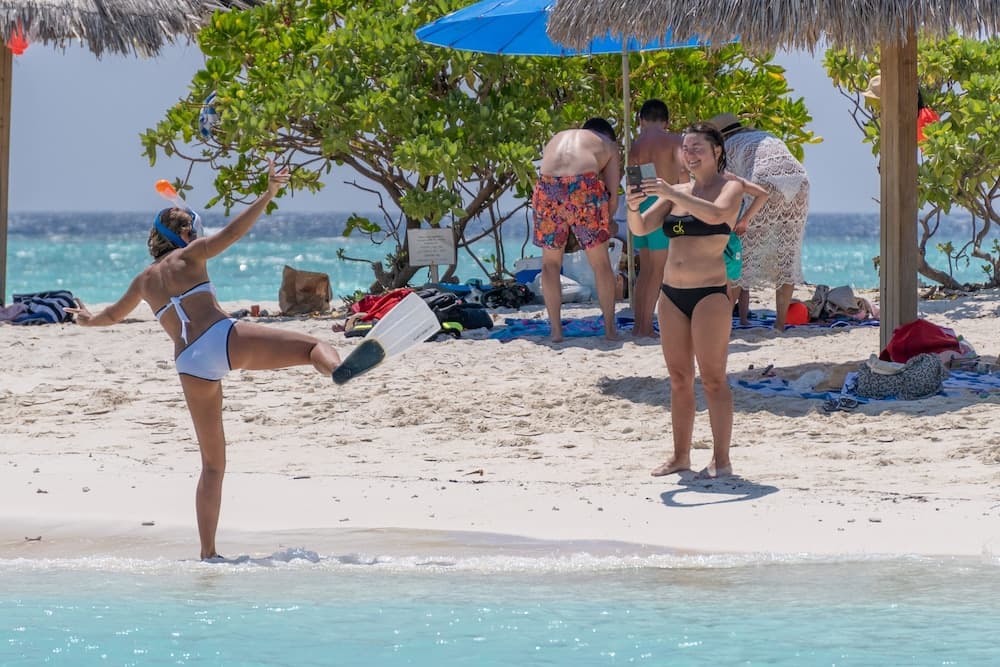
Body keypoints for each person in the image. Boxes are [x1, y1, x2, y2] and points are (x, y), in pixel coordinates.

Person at [66, 160, 343, 560]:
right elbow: (235, 231)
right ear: (181, 234)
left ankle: (209, 554)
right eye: (192, 229)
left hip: (190, 364)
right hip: (220, 338)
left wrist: (88, 321)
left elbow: (112, 316)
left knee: (212, 466)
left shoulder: (144, 280)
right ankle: (339, 369)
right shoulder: (192, 255)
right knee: (310, 347)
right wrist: (267, 194)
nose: (197, 235)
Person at [625, 122, 744, 478]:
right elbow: (641, 228)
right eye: (686, 148)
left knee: (713, 378)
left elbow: (714, 215)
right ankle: (681, 456)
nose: (690, 154)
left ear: (716, 152)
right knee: (679, 378)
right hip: (672, 294)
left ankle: (721, 459)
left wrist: (673, 194)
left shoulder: (731, 188)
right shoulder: (674, 191)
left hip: (710, 293)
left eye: (697, 148)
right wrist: (633, 206)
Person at [709, 113, 810, 331]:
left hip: (764, 183)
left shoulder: (726, 147)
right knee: (787, 256)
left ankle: (723, 324)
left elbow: (727, 190)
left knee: (740, 258)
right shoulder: (764, 136)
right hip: (800, 181)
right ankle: (780, 325)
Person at [533, 117, 621, 342]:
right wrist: (608, 222)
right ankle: (610, 330)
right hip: (583, 186)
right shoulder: (608, 145)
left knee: (550, 264)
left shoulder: (558, 138)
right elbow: (613, 196)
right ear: (607, 135)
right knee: (600, 264)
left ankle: (555, 332)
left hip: (547, 185)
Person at [627, 99, 685, 338]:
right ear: (667, 121)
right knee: (658, 271)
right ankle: (648, 327)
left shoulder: (636, 145)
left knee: (646, 270)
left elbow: (633, 180)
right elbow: (682, 173)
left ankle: (638, 325)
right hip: (664, 202)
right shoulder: (674, 141)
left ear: (640, 120)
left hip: (640, 206)